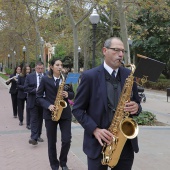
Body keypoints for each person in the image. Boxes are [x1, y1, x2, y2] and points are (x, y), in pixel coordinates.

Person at [72, 37, 142, 170]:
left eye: (122, 51)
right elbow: (77, 109)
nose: (121, 54)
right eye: (116, 50)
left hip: (124, 144)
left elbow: (137, 103)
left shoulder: (129, 75)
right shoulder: (89, 76)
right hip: (98, 143)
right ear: (105, 50)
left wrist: (136, 107)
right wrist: (94, 129)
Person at [36, 58, 74, 170]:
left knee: (67, 139)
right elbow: (38, 97)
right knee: (52, 141)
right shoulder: (45, 79)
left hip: (65, 113)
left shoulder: (66, 78)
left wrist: (68, 94)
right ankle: (54, 164)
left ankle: (63, 162)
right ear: (52, 67)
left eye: (61, 65)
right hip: (50, 113)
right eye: (57, 65)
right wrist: (48, 105)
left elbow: (73, 94)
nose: (60, 67)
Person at [24, 61, 45, 145]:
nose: (40, 70)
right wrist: (35, 90)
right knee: (34, 119)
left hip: (43, 101)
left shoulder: (46, 76)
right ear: (35, 68)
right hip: (33, 100)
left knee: (40, 119)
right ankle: (33, 137)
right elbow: (25, 88)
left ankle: (38, 135)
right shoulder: (30, 76)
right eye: (38, 68)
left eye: (41, 68)